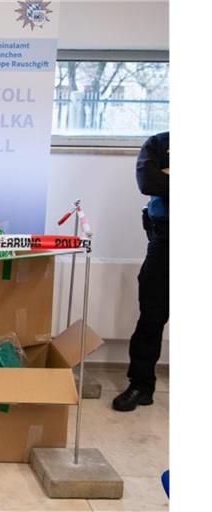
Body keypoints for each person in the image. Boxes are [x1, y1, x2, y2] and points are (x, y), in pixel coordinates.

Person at [113, 131, 169, 412]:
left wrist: (169, 178)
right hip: (166, 240)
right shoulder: (159, 143)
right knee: (152, 315)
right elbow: (148, 181)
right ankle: (141, 385)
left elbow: (162, 182)